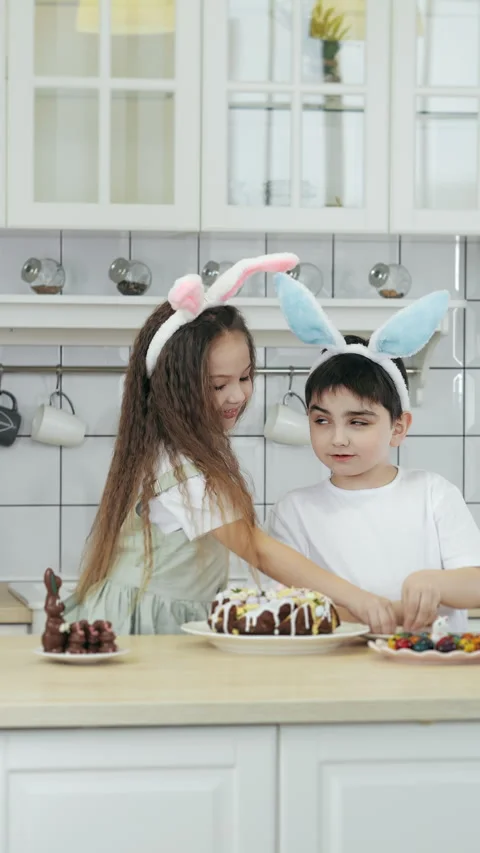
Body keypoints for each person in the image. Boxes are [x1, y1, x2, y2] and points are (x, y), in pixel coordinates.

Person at [63, 253, 398, 635]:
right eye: (218, 385)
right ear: (175, 388)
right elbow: (256, 549)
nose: (237, 395)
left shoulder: (177, 450)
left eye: (245, 376)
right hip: (144, 624)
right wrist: (361, 599)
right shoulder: (180, 469)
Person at [268, 273, 480, 634]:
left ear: (398, 428)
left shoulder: (433, 494)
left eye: (358, 423)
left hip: (428, 668)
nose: (338, 438)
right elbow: (289, 606)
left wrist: (436, 584)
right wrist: (383, 611)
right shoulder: (295, 510)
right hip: (336, 669)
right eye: (322, 420)